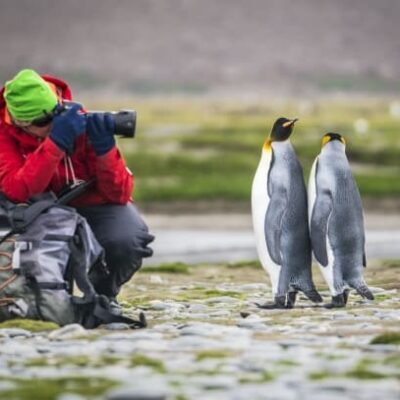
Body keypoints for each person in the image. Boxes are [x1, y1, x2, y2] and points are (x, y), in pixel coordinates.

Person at [0, 69, 154, 314]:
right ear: (19, 122)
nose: (52, 124)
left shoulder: (75, 120)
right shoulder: (4, 133)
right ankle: (41, 299)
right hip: (31, 208)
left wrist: (104, 148)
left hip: (90, 200)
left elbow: (119, 195)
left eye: (54, 115)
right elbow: (18, 189)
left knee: (127, 240)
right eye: (42, 122)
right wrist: (56, 143)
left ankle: (104, 294)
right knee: (40, 246)